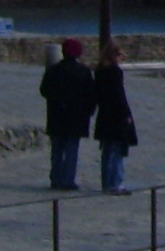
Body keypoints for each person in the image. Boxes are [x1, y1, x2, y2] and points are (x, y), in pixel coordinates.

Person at [40, 38, 97, 192]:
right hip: (76, 118)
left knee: (57, 150)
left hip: (57, 116)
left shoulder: (53, 70)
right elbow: (91, 95)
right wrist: (89, 111)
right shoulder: (83, 72)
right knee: (72, 151)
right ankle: (68, 180)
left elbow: (44, 90)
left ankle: (56, 179)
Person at [93, 44, 138, 195]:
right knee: (117, 150)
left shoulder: (99, 72)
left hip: (105, 114)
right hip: (116, 116)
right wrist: (126, 115)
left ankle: (106, 182)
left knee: (107, 150)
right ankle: (115, 183)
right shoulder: (115, 72)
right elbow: (119, 95)